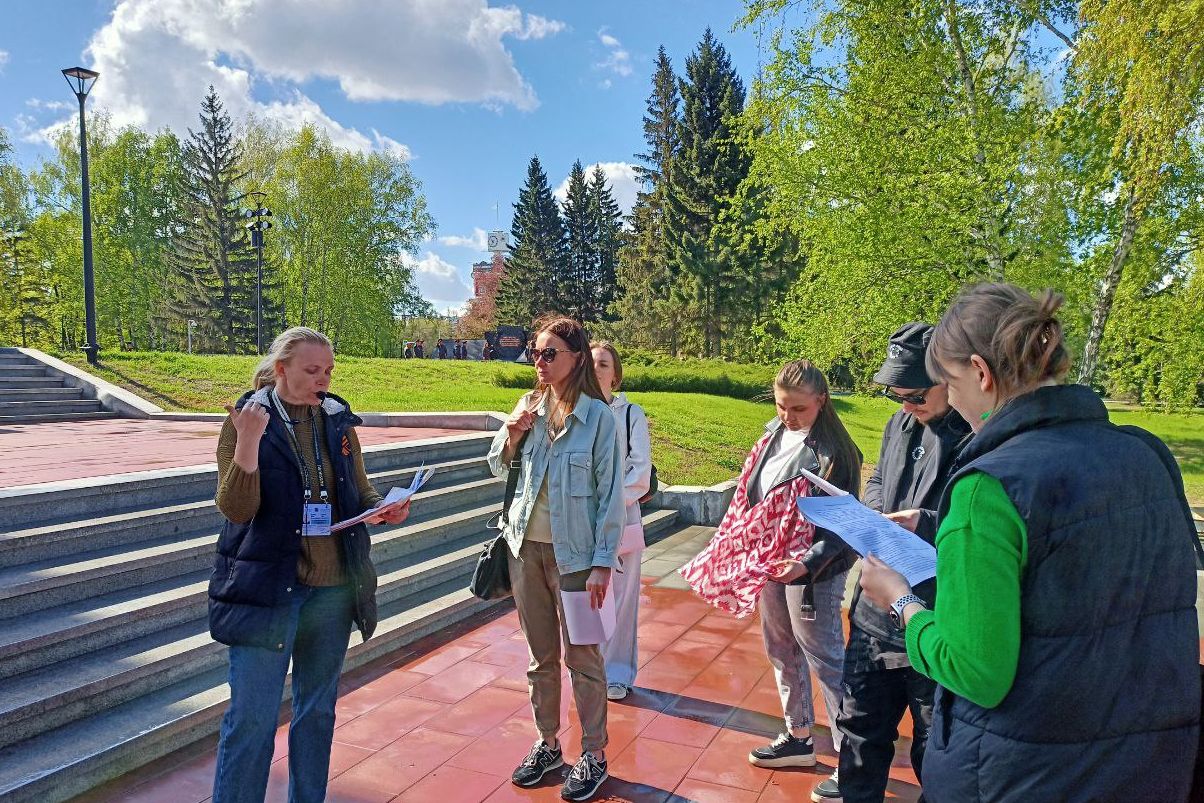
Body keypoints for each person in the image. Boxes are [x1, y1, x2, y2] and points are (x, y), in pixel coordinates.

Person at [860, 283, 1201, 802]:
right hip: (1146, 761)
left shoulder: (988, 488)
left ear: (980, 372)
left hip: (1020, 771)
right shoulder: (1147, 454)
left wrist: (900, 600)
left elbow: (973, 670)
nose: (952, 400)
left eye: (950, 382)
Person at [209, 327, 409, 803]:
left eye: (329, 371)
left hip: (332, 592)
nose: (323, 380)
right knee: (252, 719)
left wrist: (381, 507)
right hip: (266, 591)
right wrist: (248, 443)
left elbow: (358, 488)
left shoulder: (336, 419)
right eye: (312, 370)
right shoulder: (247, 418)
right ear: (281, 369)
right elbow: (236, 509)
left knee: (317, 714)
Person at [812, 323, 970, 803]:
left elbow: (979, 522)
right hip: (874, 613)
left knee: (934, 745)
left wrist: (923, 521)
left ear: (949, 379)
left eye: (916, 396)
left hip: (934, 615)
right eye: (895, 395)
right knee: (860, 729)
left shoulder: (975, 434)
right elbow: (879, 480)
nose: (906, 406)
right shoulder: (898, 425)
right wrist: (874, 516)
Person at [487, 315, 625, 802]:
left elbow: (610, 495)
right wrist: (512, 434)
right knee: (539, 657)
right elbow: (495, 464)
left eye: (550, 353)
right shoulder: (528, 406)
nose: (539, 362)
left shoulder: (599, 418)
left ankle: (594, 753)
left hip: (578, 560)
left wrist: (602, 563)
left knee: (583, 657)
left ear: (576, 358)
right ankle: (547, 744)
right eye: (535, 353)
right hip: (525, 551)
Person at [591, 340, 653, 702]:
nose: (596, 369)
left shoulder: (631, 414)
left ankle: (616, 673)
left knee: (622, 596)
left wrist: (609, 506)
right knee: (584, 597)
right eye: (591, 363)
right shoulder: (573, 412)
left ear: (615, 374)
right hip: (581, 517)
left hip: (622, 514)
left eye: (603, 364)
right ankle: (589, 669)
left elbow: (640, 471)